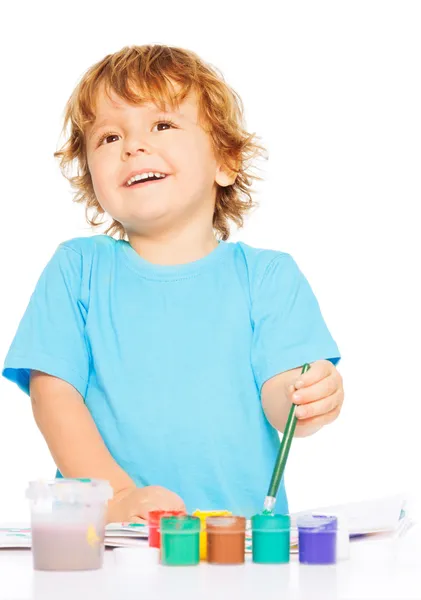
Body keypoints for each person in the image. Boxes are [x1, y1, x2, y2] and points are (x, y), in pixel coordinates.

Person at [2, 44, 344, 523]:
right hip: (108, 542)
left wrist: (305, 399)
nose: (132, 146)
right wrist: (117, 497)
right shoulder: (77, 269)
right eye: (108, 137)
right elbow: (52, 395)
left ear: (225, 160)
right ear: (92, 178)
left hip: (236, 546)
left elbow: (281, 394)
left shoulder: (267, 277)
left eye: (162, 125)